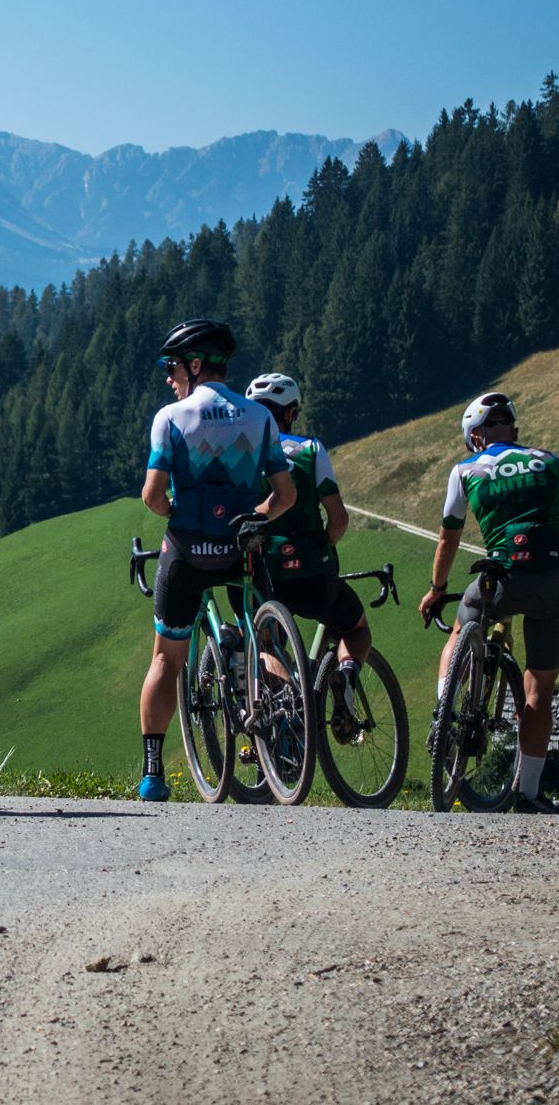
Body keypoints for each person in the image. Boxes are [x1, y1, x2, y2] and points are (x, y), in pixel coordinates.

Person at [137, 320, 295, 801]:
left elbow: (152, 496)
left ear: (196, 365)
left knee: (167, 657)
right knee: (262, 634)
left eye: (172, 366)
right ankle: (287, 739)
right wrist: (254, 515)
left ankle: (152, 773)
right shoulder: (260, 417)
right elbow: (284, 496)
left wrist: (177, 513)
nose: (168, 376)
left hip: (188, 549)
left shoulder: (171, 418)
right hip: (240, 549)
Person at [417, 392, 559, 814]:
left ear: (474, 438)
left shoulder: (465, 470)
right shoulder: (551, 461)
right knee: (539, 688)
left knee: (459, 631)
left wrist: (436, 587)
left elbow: (449, 536)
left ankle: (445, 711)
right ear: (514, 430)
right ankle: (528, 794)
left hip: (499, 579)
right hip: (550, 581)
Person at [244, 374, 373, 697]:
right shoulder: (311, 450)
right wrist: (323, 544)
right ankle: (345, 675)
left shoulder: (240, 455)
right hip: (315, 571)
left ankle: (292, 707)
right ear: (289, 413)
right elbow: (339, 519)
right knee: (355, 629)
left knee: (269, 647)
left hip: (266, 573)